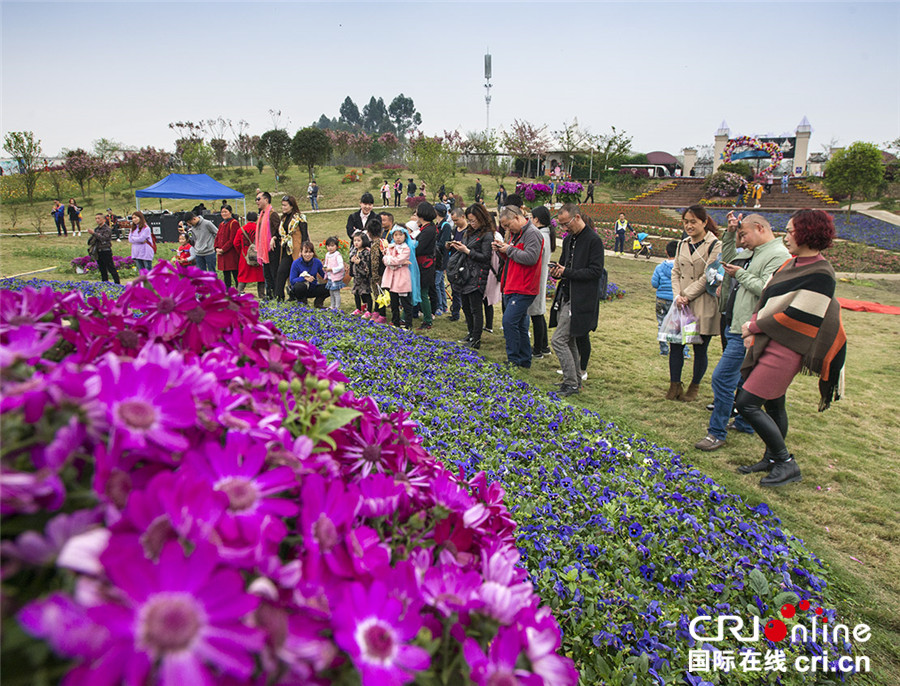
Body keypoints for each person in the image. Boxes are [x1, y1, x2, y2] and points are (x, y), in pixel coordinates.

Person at [735, 209, 846, 486]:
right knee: (774, 404)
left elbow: (799, 316)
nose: (786, 236)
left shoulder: (822, 273)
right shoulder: (791, 265)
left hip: (788, 346)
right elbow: (768, 298)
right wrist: (753, 322)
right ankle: (772, 458)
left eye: (791, 230)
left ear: (808, 233)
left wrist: (755, 327)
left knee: (746, 404)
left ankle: (786, 463)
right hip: (769, 340)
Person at [694, 212, 791, 452]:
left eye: (744, 234)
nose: (742, 240)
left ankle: (716, 432)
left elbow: (767, 291)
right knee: (742, 378)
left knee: (722, 378)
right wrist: (729, 234)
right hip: (735, 322)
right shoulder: (755, 251)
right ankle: (745, 423)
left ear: (759, 228)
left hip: (750, 328)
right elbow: (728, 261)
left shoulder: (778, 255)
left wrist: (741, 274)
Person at [548, 204, 605, 397]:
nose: (564, 228)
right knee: (568, 340)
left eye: (566, 224)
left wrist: (567, 272)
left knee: (558, 340)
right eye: (561, 225)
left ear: (577, 217)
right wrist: (557, 271)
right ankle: (573, 381)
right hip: (566, 294)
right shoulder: (569, 240)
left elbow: (596, 271)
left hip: (581, 299)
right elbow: (565, 265)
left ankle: (571, 382)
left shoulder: (593, 240)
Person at [667, 205, 722, 402]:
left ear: (704, 222)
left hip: (702, 302)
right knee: (675, 344)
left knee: (699, 347)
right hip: (681, 303)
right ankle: (674, 384)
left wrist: (687, 295)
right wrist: (677, 296)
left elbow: (709, 275)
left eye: (693, 222)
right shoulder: (683, 243)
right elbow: (675, 272)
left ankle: (694, 386)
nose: (689, 226)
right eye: (686, 222)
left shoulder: (714, 244)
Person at [495, 206, 544, 368]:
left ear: (517, 217)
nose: (507, 229)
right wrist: (501, 250)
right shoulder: (517, 234)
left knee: (509, 322)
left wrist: (509, 249)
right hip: (512, 285)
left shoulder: (532, 234)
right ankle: (524, 360)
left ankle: (514, 359)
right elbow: (513, 257)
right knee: (521, 325)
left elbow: (531, 257)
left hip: (523, 287)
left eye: (508, 225)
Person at [447, 205, 494, 349]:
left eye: (474, 221)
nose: (471, 223)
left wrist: (467, 251)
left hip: (478, 274)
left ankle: (476, 339)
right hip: (465, 272)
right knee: (465, 306)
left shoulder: (487, 234)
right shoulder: (469, 232)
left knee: (475, 308)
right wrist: (459, 246)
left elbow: (486, 257)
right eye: (470, 221)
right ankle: (471, 333)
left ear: (481, 218)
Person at [529, 206, 555, 359]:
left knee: (536, 314)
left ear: (537, 220)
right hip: (541, 276)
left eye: (532, 218)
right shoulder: (545, 234)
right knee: (539, 312)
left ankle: (538, 349)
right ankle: (544, 346)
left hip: (536, 278)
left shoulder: (539, 236)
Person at [382, 225, 419, 328]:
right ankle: (395, 322)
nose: (398, 237)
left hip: (402, 278)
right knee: (394, 303)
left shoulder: (406, 248)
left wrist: (393, 261)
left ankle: (408, 324)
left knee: (405, 302)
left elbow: (400, 259)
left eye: (400, 235)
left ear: (405, 236)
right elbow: (385, 259)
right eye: (395, 235)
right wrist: (396, 262)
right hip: (392, 278)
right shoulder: (390, 247)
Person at [272, 195, 308, 300]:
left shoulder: (300, 218)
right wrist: (274, 237)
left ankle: (297, 296)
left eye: (285, 205)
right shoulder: (283, 219)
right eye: (282, 205)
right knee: (281, 272)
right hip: (286, 249)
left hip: (296, 249)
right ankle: (279, 297)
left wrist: (303, 249)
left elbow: (305, 235)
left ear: (292, 206)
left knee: (297, 273)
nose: (283, 207)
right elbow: (281, 233)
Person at [412, 201, 438, 329]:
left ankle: (427, 319)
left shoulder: (428, 230)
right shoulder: (425, 228)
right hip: (422, 263)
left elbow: (420, 248)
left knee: (423, 292)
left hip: (425, 265)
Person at [651, 241, 679, 355]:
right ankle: (682, 350)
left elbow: (654, 284)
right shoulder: (680, 268)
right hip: (675, 299)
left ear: (666, 252)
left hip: (661, 299)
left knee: (661, 323)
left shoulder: (659, 267)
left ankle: (663, 349)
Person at [254, 191, 280, 299]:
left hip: (272, 249)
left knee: (273, 274)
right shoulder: (262, 214)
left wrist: (274, 237)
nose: (257, 202)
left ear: (266, 200)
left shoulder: (272, 214)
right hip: (264, 250)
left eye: (258, 199)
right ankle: (269, 295)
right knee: (267, 275)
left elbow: (280, 231)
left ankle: (276, 295)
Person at [233, 211, 265, 299]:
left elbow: (236, 243)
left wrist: (242, 252)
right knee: (261, 277)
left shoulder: (241, 229)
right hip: (258, 256)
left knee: (243, 277)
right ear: (256, 219)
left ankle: (238, 293)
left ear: (246, 219)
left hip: (245, 257)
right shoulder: (260, 229)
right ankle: (262, 295)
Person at [289, 241, 327, 307]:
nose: (308, 254)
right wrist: (304, 278)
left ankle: (318, 302)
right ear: (301, 252)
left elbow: (324, 276)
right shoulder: (296, 263)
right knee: (300, 286)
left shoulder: (316, 262)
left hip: (312, 288)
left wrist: (335, 272)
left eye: (310, 252)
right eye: (305, 252)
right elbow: (292, 280)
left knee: (329, 286)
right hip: (300, 289)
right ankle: (302, 302)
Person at [447, 207, 468, 322]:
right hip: (454, 261)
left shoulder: (468, 231)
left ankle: (467, 314)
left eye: (456, 220)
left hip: (464, 262)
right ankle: (455, 313)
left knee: (464, 291)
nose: (455, 223)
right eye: (453, 221)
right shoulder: (455, 230)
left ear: (463, 217)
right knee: (455, 289)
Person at [433, 203, 453, 316]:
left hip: (441, 259)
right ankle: (444, 306)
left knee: (436, 283)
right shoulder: (438, 224)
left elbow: (442, 243)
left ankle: (439, 307)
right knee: (440, 283)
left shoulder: (445, 226)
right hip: (438, 257)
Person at [87, 212, 119, 284]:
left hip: (106, 250)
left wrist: (94, 233)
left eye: (99, 218)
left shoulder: (107, 229)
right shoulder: (97, 229)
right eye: (96, 219)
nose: (97, 220)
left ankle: (117, 283)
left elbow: (104, 238)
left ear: (104, 220)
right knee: (102, 269)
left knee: (111, 268)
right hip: (98, 251)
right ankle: (105, 283)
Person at [215, 205, 240, 288]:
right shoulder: (221, 224)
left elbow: (232, 239)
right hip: (222, 254)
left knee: (235, 272)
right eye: (222, 212)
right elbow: (217, 237)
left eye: (225, 212)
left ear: (230, 212)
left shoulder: (234, 223)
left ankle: (239, 290)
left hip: (231, 254)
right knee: (226, 273)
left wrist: (223, 249)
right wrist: (216, 248)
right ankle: (227, 290)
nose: (223, 214)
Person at [367, 217, 388, 317]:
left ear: (369, 232)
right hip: (385, 272)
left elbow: (374, 262)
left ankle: (382, 315)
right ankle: (377, 312)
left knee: (379, 294)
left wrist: (374, 276)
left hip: (378, 274)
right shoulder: (383, 242)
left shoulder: (375, 245)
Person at [350, 232, 373, 314]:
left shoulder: (366, 252)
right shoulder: (354, 251)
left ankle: (369, 310)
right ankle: (358, 308)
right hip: (356, 276)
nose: (356, 242)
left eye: (358, 240)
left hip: (364, 276)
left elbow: (367, 265)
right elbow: (351, 259)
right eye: (354, 240)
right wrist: (351, 260)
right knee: (356, 293)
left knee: (366, 293)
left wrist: (360, 262)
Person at [322, 236, 345, 310]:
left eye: (332, 246)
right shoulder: (327, 254)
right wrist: (325, 267)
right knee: (331, 292)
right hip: (330, 277)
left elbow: (341, 266)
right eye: (328, 246)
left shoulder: (337, 255)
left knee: (336, 293)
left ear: (336, 246)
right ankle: (332, 305)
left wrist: (332, 269)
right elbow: (326, 263)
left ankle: (337, 307)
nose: (330, 248)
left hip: (336, 277)